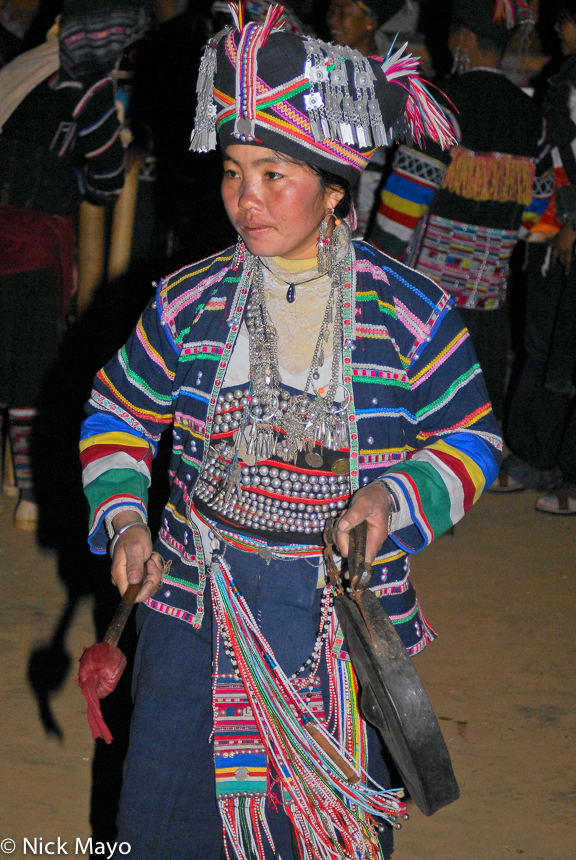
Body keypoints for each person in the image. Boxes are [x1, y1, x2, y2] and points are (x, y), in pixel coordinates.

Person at [80, 5, 501, 858]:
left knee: (320, 831)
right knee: (163, 826)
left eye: (276, 174)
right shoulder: (188, 302)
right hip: (197, 604)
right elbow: (117, 414)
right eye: (235, 172)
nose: (247, 199)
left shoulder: (410, 314)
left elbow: (470, 441)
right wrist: (126, 520)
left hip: (331, 618)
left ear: (337, 186)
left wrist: (390, 495)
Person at [370, 0, 553, 421]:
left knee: (414, 401)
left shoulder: (442, 102)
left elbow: (403, 203)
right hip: (487, 297)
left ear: (464, 38)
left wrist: (378, 264)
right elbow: (537, 218)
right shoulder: (530, 116)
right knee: (472, 405)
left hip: (427, 298)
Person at [0, 5, 128, 529]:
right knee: (31, 368)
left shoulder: (20, 66)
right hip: (28, 242)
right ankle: (31, 495)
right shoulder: (84, 81)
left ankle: (12, 476)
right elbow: (108, 178)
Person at [493, 0, 576, 513]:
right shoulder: (565, 78)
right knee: (545, 345)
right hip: (553, 236)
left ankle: (554, 464)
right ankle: (535, 457)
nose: (556, 30)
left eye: (564, 20)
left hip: (563, 235)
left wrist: (573, 222)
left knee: (552, 346)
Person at [327, 0, 405, 237]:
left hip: (369, 209)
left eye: (343, 11)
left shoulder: (392, 81)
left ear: (371, 21)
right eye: (331, 10)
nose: (332, 19)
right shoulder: (317, 70)